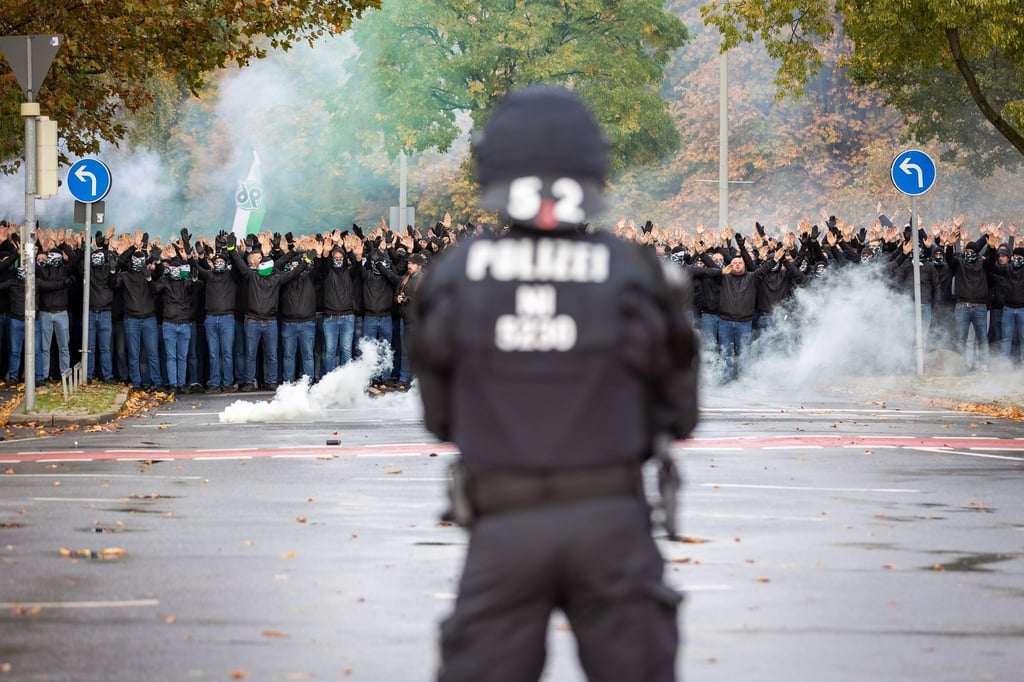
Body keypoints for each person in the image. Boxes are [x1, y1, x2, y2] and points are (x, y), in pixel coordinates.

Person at [409, 86, 699, 682]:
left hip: (502, 524)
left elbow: (438, 419)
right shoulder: (636, 272)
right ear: (594, 164)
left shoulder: (455, 274)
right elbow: (681, 413)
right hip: (613, 523)